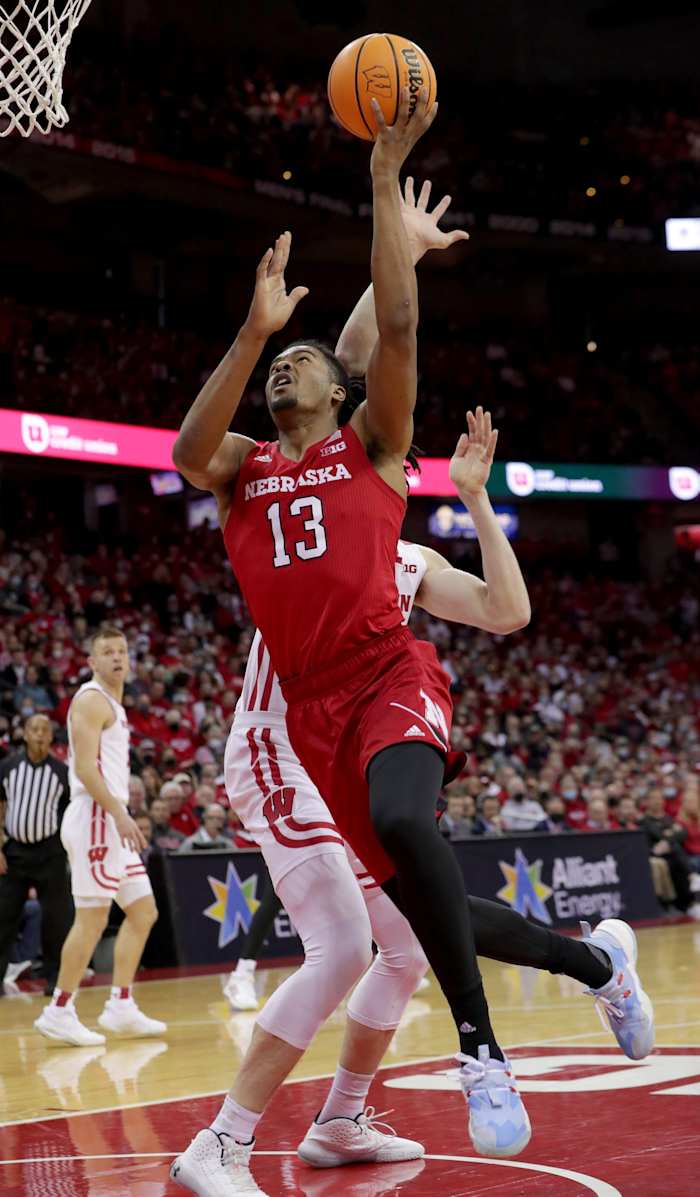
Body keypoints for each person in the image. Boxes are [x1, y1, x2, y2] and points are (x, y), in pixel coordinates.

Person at [172, 91, 653, 1179]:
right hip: (306, 714)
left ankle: (479, 1047)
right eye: (278, 363)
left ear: (347, 402)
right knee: (421, 905)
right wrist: (253, 333)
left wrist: (385, 186)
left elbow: (384, 332)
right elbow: (190, 448)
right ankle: (597, 965)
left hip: (387, 677)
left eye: (302, 360)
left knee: (398, 848)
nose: (291, 364)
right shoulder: (250, 470)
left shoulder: (371, 454)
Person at [34, 625, 166, 1046]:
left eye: (122, 650)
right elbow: (86, 770)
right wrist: (119, 814)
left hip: (109, 818)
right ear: (91, 662)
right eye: (107, 652)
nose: (117, 657)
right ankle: (59, 1008)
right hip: (96, 816)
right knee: (92, 917)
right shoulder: (91, 700)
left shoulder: (114, 703)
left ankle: (121, 1004)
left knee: (143, 911)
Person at [0, 714, 72, 995]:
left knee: (56, 920)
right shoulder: (7, 767)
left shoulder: (62, 773)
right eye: (34, 729)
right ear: (25, 734)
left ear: (52, 737)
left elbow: (69, 813)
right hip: (15, 852)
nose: (40, 734)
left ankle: (55, 979)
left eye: (45, 730)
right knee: (3, 917)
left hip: (50, 853)